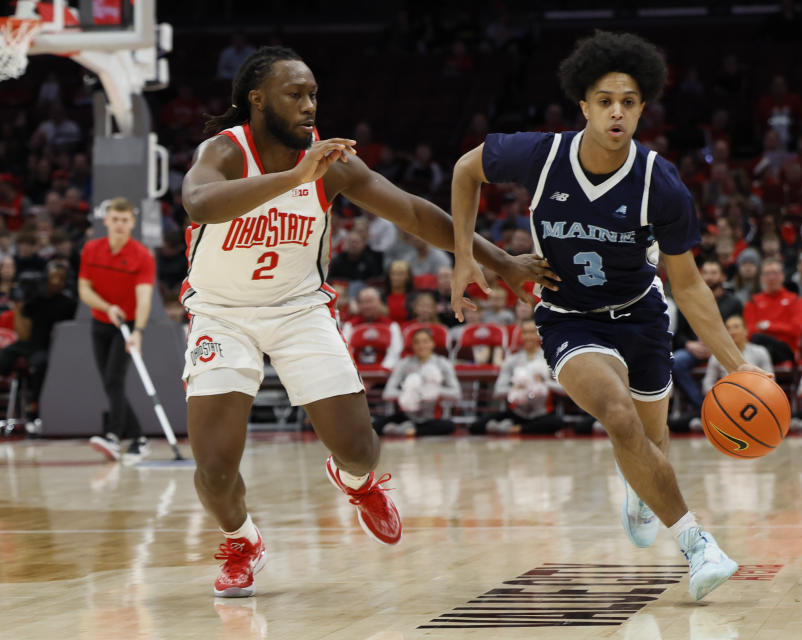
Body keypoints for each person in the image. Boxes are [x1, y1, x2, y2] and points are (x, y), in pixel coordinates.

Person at [181, 46, 553, 598]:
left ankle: (355, 481)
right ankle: (243, 540)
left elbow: (414, 211)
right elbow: (198, 203)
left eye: (313, 94)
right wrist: (295, 179)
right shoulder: (224, 151)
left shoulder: (333, 162)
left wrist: (500, 261)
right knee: (214, 468)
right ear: (256, 100)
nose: (309, 106)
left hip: (299, 308)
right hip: (220, 314)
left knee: (360, 447)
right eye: (295, 94)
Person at [449, 31, 771, 601]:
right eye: (604, 100)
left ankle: (641, 487)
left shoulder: (660, 182)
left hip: (643, 315)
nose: (616, 112)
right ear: (583, 106)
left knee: (650, 441)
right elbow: (463, 171)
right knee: (619, 416)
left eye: (627, 101)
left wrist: (739, 366)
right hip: (570, 317)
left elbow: (689, 284)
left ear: (643, 107)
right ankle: (700, 546)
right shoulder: (539, 155)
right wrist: (464, 260)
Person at [79, 198, 155, 463]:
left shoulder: (142, 256)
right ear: (107, 220)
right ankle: (139, 437)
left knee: (114, 379)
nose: (120, 224)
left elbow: (144, 298)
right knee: (111, 383)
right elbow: (84, 290)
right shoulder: (91, 249)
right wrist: (107, 307)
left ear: (132, 223)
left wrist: (139, 332)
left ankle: (113, 436)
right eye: (115, 219)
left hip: (129, 324)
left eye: (125, 220)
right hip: (102, 321)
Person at [0, 260, 76, 423]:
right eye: (52, 277)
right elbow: (22, 329)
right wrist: (19, 303)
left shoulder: (68, 304)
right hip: (31, 343)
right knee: (6, 354)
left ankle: (33, 407)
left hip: (50, 346)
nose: (55, 282)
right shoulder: (36, 299)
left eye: (59, 278)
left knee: (39, 363)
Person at [672, 260, 742, 408]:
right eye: (705, 273)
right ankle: (704, 406)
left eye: (713, 273)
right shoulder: (687, 301)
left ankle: (732, 406)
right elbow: (678, 335)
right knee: (676, 361)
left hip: (724, 349)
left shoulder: (734, 302)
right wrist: (690, 345)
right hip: (695, 349)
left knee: (738, 362)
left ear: (723, 277)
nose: (709, 277)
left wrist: (715, 345)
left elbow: (739, 330)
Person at [476, 320, 566, 435]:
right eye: (525, 333)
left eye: (532, 332)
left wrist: (544, 383)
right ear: (521, 336)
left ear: (539, 334)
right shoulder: (512, 360)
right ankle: (521, 428)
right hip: (517, 413)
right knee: (477, 425)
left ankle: (516, 429)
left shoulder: (550, 359)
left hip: (542, 413)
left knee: (557, 423)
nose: (528, 337)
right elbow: (498, 391)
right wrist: (516, 388)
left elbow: (565, 390)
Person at [377, 328, 460, 437]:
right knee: (376, 425)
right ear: (412, 345)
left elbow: (456, 393)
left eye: (425, 341)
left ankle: (411, 430)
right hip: (407, 415)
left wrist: (433, 391)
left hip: (432, 418)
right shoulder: (404, 363)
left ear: (432, 343)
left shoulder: (443, 363)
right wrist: (410, 392)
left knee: (449, 426)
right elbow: (387, 393)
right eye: (417, 342)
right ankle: (408, 428)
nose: (421, 346)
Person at [744, 258, 802, 364]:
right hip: (758, 349)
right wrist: (778, 329)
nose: (771, 278)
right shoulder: (753, 301)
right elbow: (749, 331)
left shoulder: (795, 300)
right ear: (762, 278)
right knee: (755, 342)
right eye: (767, 274)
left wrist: (769, 326)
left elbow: (796, 329)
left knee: (757, 340)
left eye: (775, 273)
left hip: (785, 350)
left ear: (782, 276)